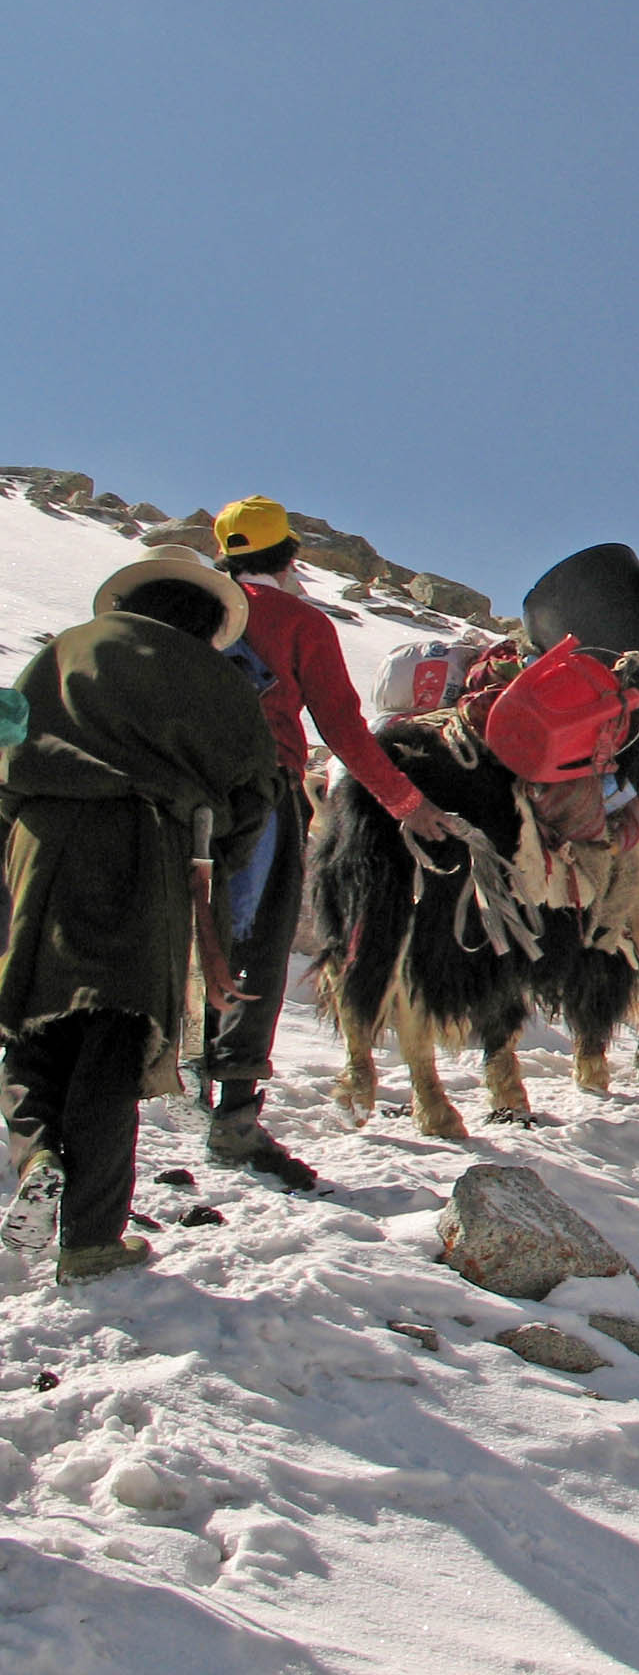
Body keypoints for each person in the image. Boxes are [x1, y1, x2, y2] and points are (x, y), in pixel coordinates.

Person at [0, 549, 279, 1282]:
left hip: (40, 840)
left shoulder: (67, 650)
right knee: (114, 1032)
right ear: (209, 621)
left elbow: (7, 743)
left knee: (34, 1015)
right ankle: (92, 1239)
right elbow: (254, 795)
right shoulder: (219, 681)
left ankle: (37, 1156)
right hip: (151, 849)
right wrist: (215, 871)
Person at [206, 496, 455, 1178]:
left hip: (181, 789)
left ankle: (187, 1084)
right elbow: (343, 727)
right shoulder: (299, 621)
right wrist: (406, 803)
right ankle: (235, 1113)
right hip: (263, 792)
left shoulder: (188, 609)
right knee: (258, 946)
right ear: (290, 556)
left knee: (196, 933)